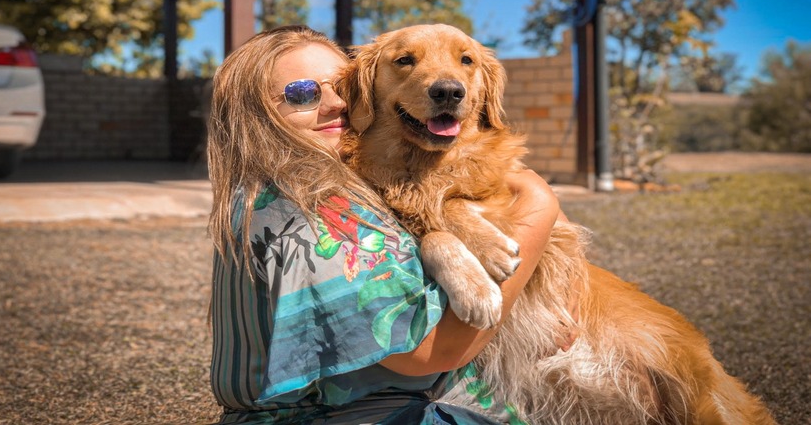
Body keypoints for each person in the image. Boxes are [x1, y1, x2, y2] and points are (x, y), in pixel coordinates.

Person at [206, 25, 562, 424]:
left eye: (342, 87)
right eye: (302, 94)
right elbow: (429, 353)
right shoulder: (299, 212)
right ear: (254, 115)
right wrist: (540, 206)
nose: (338, 104)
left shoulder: (344, 186)